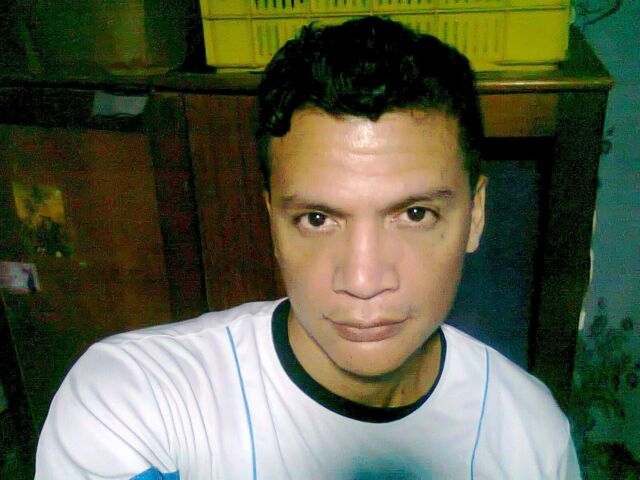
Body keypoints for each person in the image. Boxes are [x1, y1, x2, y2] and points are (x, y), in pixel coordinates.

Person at [35, 16, 580, 479]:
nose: (363, 281)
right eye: (318, 219)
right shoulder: (135, 403)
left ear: (476, 215)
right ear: (271, 221)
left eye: (415, 214)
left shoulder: (531, 437)